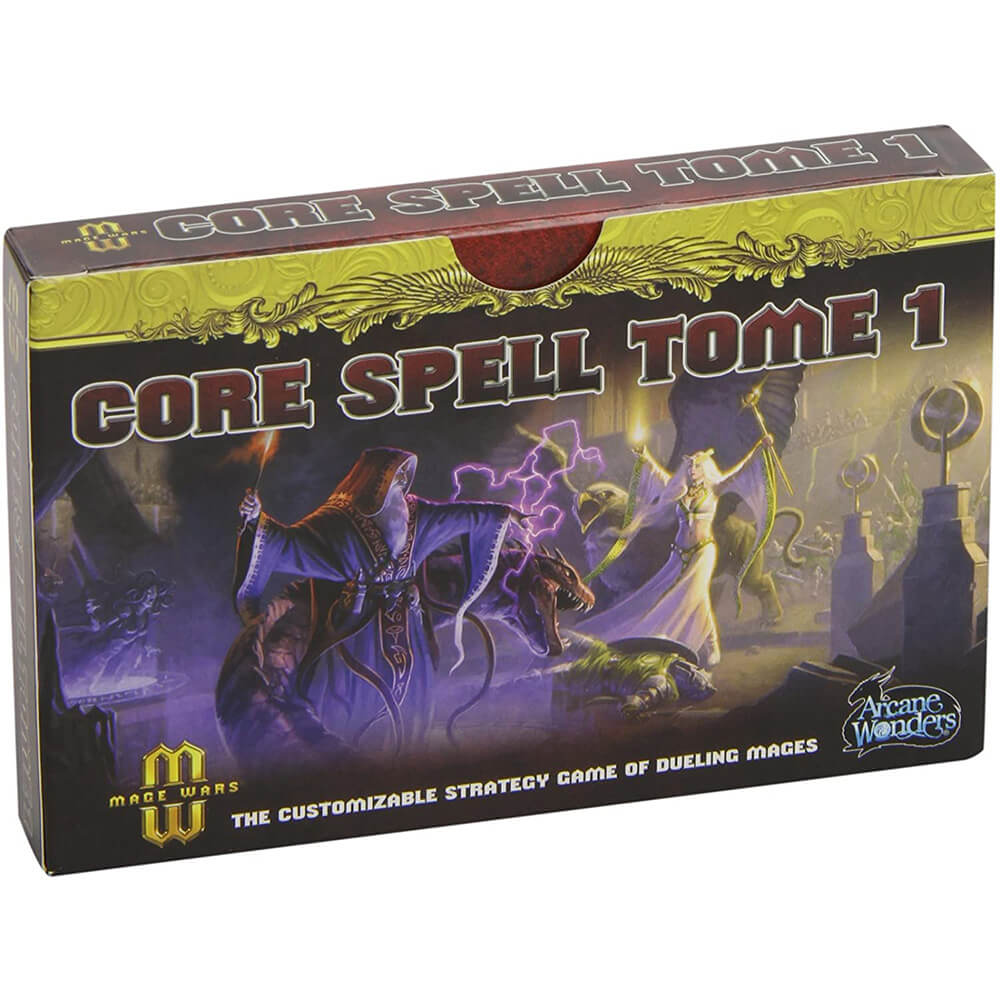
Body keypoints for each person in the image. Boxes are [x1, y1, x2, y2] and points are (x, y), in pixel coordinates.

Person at [234, 446, 519, 751]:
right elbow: (288, 542)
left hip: (408, 628)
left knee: (414, 700)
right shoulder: (337, 520)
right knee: (354, 701)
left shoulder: (415, 515)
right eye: (395, 478)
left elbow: (464, 515)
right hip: (359, 632)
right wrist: (255, 519)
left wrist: (503, 514)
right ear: (373, 482)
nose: (401, 486)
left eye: (404, 478)